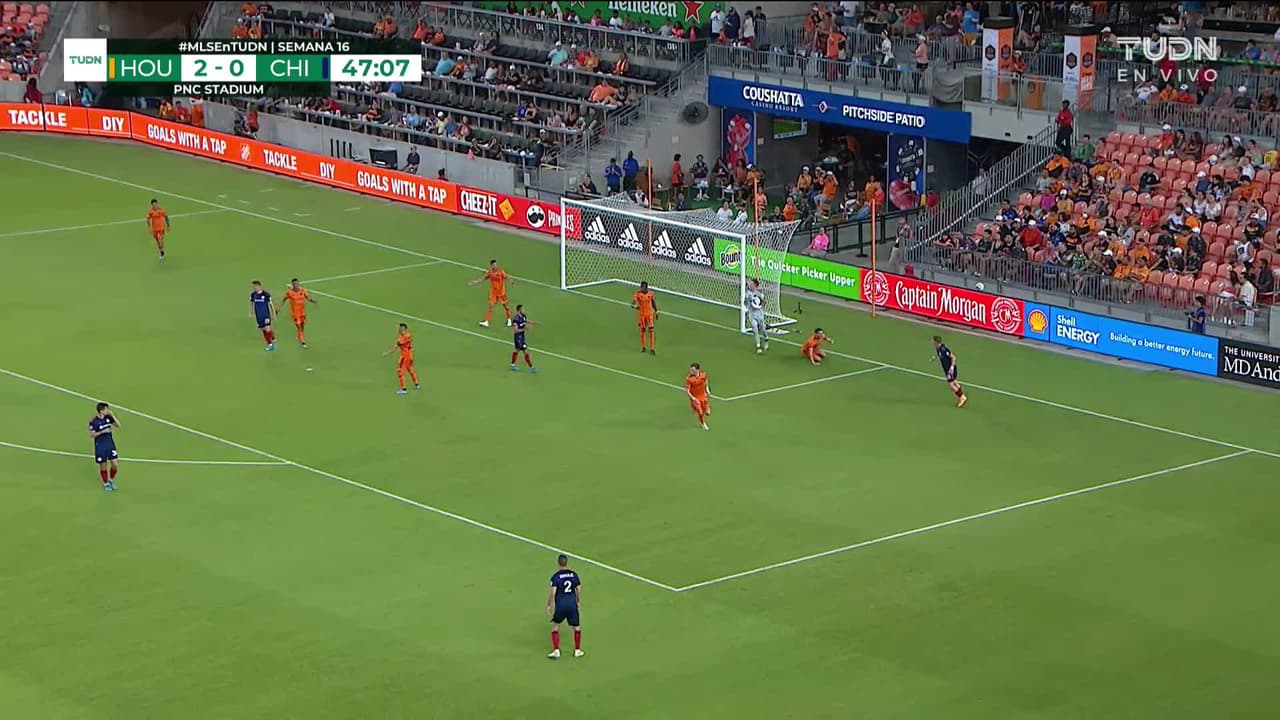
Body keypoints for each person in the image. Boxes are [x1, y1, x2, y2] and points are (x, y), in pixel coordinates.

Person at [546, 554, 583, 659]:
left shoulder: (556, 577)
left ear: (558, 563)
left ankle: (556, 651)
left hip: (561, 606)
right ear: (567, 562)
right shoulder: (574, 575)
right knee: (576, 627)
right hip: (572, 605)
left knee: (555, 626)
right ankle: (577, 650)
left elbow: (553, 592)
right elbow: (578, 589)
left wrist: (549, 604)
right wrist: (578, 601)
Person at [88, 402, 121, 492]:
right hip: (100, 445)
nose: (108, 411)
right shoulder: (93, 421)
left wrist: (113, 415)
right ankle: (106, 483)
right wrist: (102, 432)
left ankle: (111, 480)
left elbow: (118, 425)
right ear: (101, 411)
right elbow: (92, 435)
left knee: (115, 464)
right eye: (106, 409)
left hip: (110, 444)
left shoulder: (108, 417)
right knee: (103, 465)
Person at [470, 259, 512, 327]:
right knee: (490, 306)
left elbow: (506, 276)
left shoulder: (501, 271)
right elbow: (483, 278)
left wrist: (511, 281)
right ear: (491, 265)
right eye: (494, 265)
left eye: (496, 264)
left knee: (506, 306)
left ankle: (509, 319)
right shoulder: (490, 272)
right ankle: (486, 322)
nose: (495, 266)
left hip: (501, 293)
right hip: (493, 293)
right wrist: (475, 282)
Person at [384, 323, 420, 394]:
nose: (398, 329)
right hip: (410, 355)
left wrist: (387, 353)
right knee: (410, 369)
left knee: (400, 371)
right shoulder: (408, 334)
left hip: (405, 356)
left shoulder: (402, 338)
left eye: (400, 328)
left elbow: (395, 347)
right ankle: (417, 385)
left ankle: (404, 389)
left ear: (403, 329)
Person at [932, 335, 967, 407]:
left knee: (951, 385)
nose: (932, 342)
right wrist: (934, 357)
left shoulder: (944, 349)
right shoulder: (938, 348)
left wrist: (952, 368)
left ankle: (962, 397)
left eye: (933, 341)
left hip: (950, 370)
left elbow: (953, 357)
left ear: (936, 342)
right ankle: (961, 394)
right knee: (954, 382)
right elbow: (938, 353)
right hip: (946, 369)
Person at [281, 279, 316, 348]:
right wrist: (278, 307)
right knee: (299, 326)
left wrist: (312, 300)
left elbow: (308, 297)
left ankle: (299, 335)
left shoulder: (303, 291)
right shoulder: (289, 292)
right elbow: (284, 299)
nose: (296, 285)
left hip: (302, 312)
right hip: (295, 313)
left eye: (297, 284)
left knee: (302, 326)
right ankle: (302, 341)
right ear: (292, 285)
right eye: (294, 284)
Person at [508, 304, 537, 372]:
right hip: (518, 337)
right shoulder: (516, 319)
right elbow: (515, 330)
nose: (524, 310)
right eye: (522, 309)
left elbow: (526, 321)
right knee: (525, 351)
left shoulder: (523, 316)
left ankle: (512, 365)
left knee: (517, 350)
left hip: (522, 337)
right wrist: (525, 329)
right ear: (519, 311)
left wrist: (533, 323)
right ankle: (531, 367)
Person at [249, 280, 277, 351]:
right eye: (253, 286)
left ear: (259, 286)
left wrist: (273, 314)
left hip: (266, 315)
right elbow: (252, 303)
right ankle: (272, 338)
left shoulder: (266, 294)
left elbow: (271, 304)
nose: (254, 288)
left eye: (255, 286)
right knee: (263, 329)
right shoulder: (253, 295)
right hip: (258, 315)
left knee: (267, 329)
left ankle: (270, 344)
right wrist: (251, 312)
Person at [632, 281, 657, 354]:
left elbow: (653, 302)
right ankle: (643, 347)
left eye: (643, 287)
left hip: (649, 315)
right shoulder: (637, 294)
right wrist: (635, 306)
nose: (642, 288)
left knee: (651, 330)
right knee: (642, 330)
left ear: (646, 287)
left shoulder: (651, 293)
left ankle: (652, 348)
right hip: (641, 315)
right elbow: (632, 304)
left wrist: (656, 310)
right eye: (641, 287)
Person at [745, 278, 768, 353]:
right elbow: (745, 303)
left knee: (763, 329)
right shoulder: (747, 293)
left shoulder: (759, 294)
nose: (750, 285)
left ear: (755, 285)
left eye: (751, 284)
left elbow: (764, 303)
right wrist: (748, 300)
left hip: (759, 315)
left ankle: (766, 339)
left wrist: (760, 305)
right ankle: (758, 346)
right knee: (755, 330)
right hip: (752, 315)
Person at [685, 362, 711, 431]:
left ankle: (706, 407)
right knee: (700, 412)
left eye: (693, 370)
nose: (691, 371)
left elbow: (706, 380)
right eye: (690, 370)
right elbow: (687, 390)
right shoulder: (689, 379)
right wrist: (693, 398)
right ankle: (703, 424)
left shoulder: (703, 375)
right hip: (695, 398)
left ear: (697, 370)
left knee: (707, 413)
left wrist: (707, 389)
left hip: (703, 396)